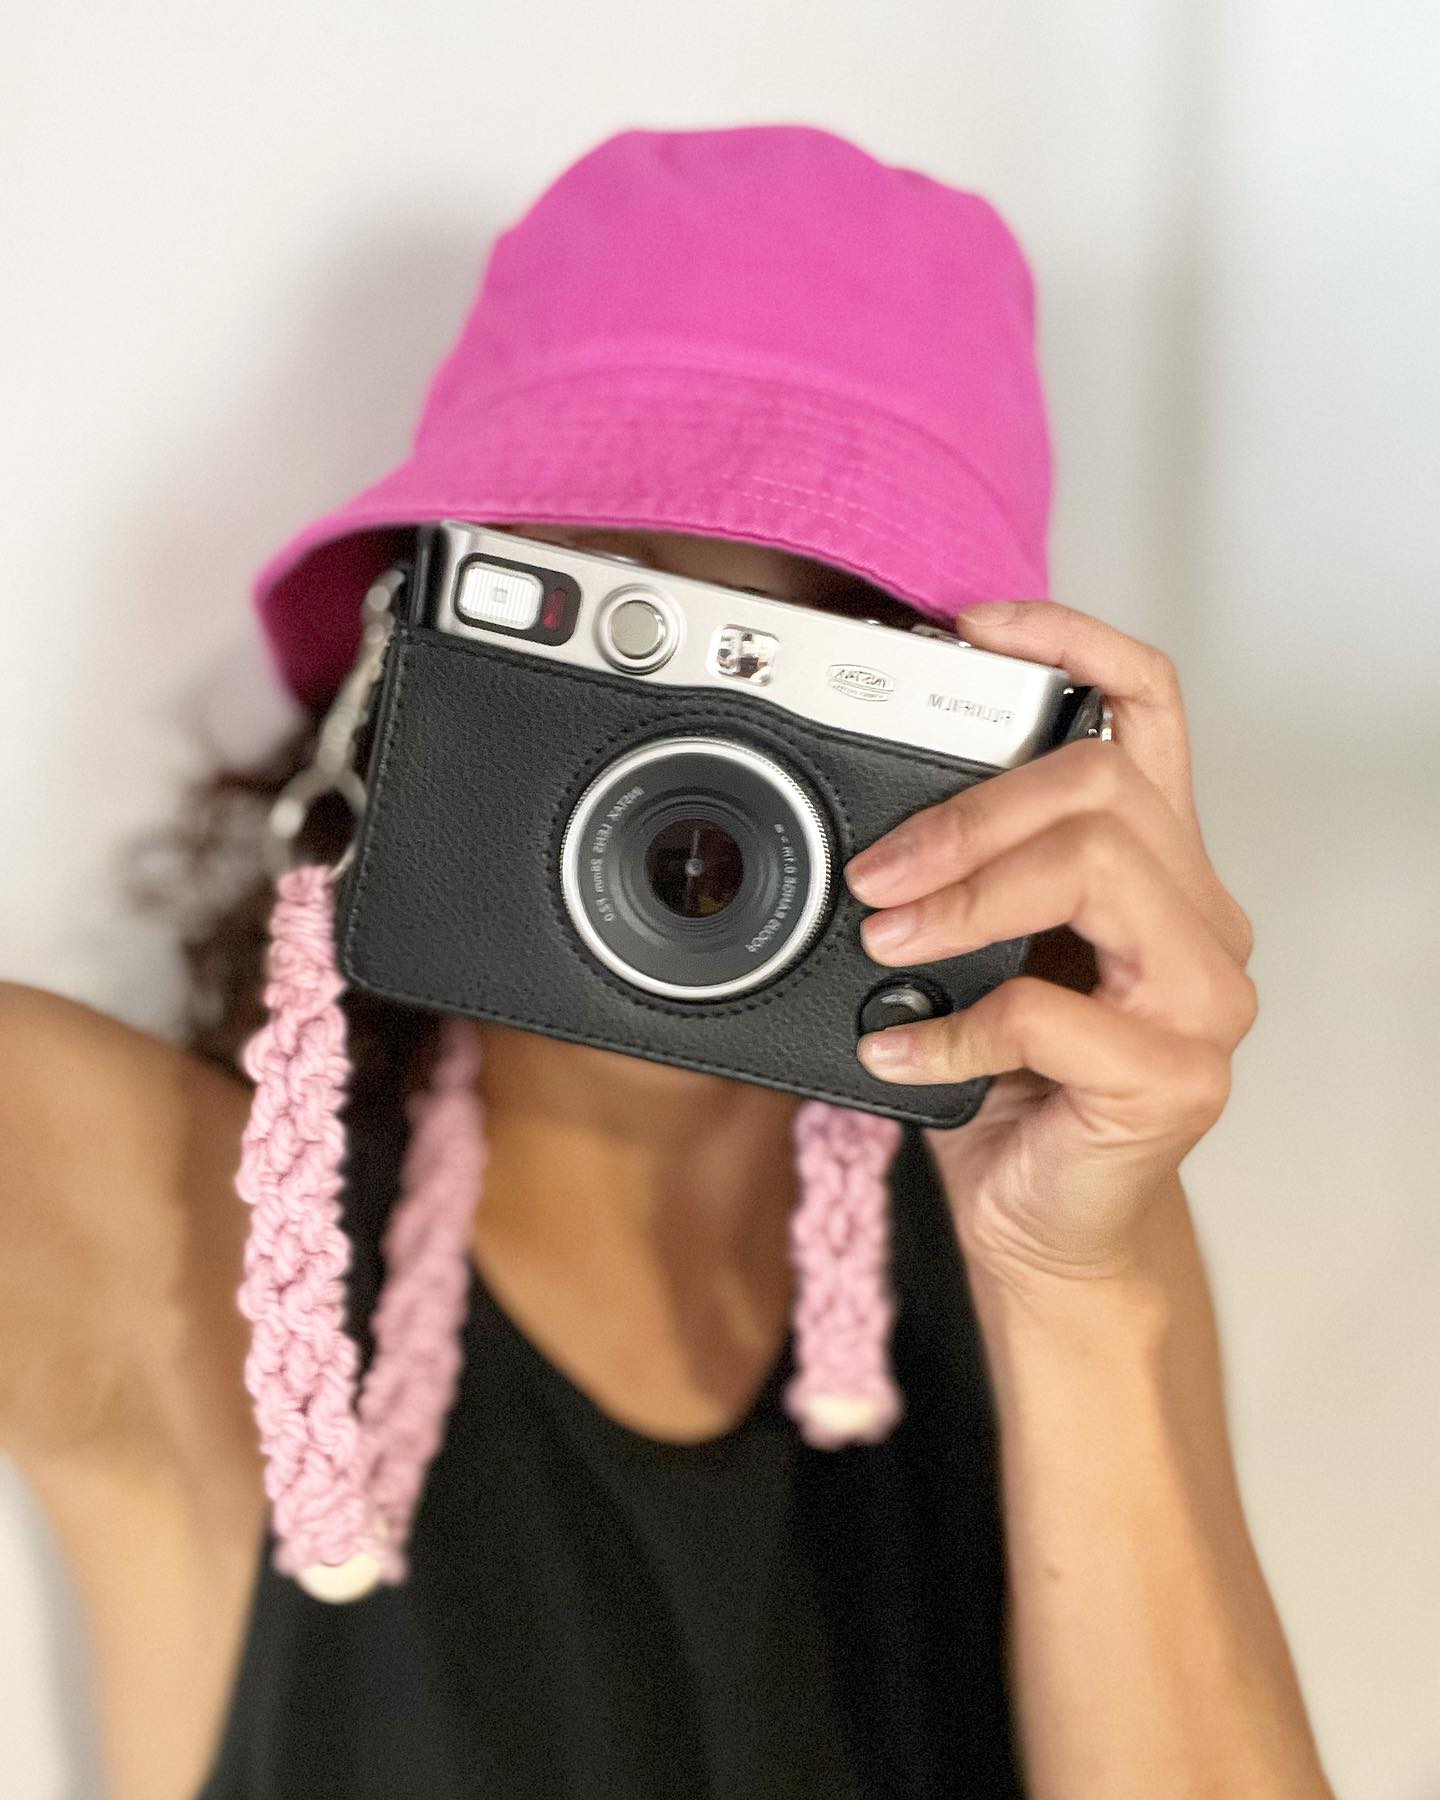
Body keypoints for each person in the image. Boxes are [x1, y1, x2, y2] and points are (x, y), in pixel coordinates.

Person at [0, 124, 1334, 1800]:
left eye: (829, 661)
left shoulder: (1041, 1233)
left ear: (1007, 754)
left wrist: (1076, 1290)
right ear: (407, 655)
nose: (697, 788)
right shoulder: (170, 1221)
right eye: (622, 630)